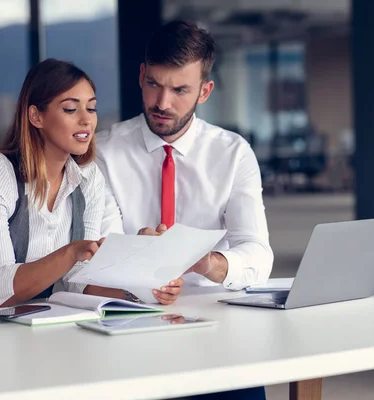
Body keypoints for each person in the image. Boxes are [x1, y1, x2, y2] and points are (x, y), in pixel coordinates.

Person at [95, 21, 272, 399]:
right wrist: (140, 258)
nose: (163, 103)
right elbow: (99, 251)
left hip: (217, 321)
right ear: (141, 75)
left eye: (180, 90)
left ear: (204, 91)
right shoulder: (103, 152)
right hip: (130, 319)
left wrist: (206, 262)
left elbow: (257, 252)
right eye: (155, 84)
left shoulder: (233, 153)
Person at [0, 58, 182, 308]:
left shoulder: (88, 179)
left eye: (92, 108)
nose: (86, 120)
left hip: (34, 322)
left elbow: (78, 281)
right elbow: (0, 290)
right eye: (70, 109)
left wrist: (143, 288)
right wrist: (73, 252)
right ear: (36, 116)